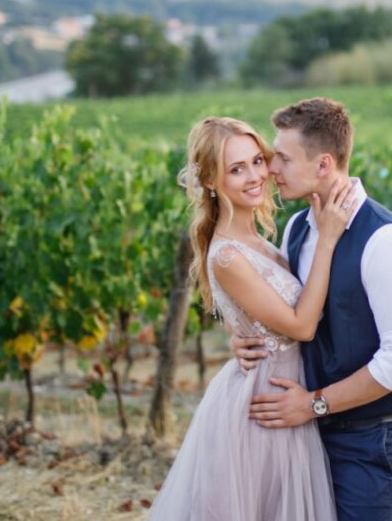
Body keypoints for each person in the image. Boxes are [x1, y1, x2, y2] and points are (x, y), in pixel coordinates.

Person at [148, 116, 354, 521]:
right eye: (236, 169)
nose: (255, 175)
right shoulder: (227, 254)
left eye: (257, 161)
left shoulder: (256, 239)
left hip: (280, 393)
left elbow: (252, 313)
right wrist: (328, 239)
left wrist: (238, 332)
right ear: (210, 181)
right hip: (263, 406)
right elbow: (301, 326)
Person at [236, 97, 392, 521]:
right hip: (302, 436)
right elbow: (287, 315)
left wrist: (313, 404)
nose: (271, 170)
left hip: (367, 441)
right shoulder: (297, 228)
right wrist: (246, 339)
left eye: (282, 158)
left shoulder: (386, 242)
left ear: (323, 164)